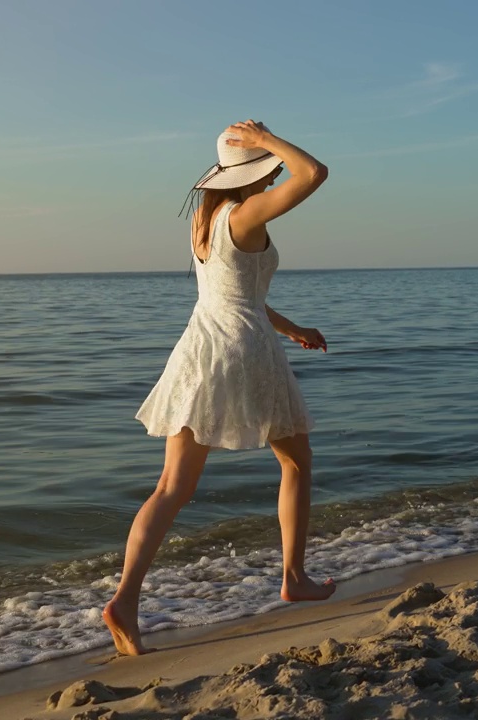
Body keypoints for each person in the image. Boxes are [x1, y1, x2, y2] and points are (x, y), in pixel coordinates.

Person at [103, 120, 334, 656]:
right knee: (296, 462)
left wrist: (293, 327)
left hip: (200, 348)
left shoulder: (205, 218)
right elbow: (314, 173)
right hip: (243, 351)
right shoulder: (249, 213)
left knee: (171, 487)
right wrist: (270, 139)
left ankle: (125, 599)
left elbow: (234, 292)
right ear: (253, 170)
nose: (274, 172)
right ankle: (294, 576)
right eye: (267, 167)